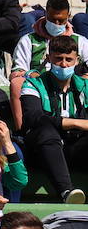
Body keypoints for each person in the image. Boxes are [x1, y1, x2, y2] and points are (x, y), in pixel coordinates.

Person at [18, 34, 88, 203]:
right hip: (40, 152)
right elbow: (33, 118)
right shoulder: (32, 84)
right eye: (58, 59)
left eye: (68, 59)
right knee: (46, 131)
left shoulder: (85, 86)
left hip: (74, 148)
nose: (64, 64)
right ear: (48, 58)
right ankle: (67, 192)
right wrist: (73, 123)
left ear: (77, 60)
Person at [12, 0, 88, 76]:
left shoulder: (80, 41)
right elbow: (18, 70)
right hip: (37, 85)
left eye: (61, 20)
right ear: (46, 14)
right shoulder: (28, 40)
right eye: (53, 19)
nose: (56, 23)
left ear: (68, 16)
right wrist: (31, 75)